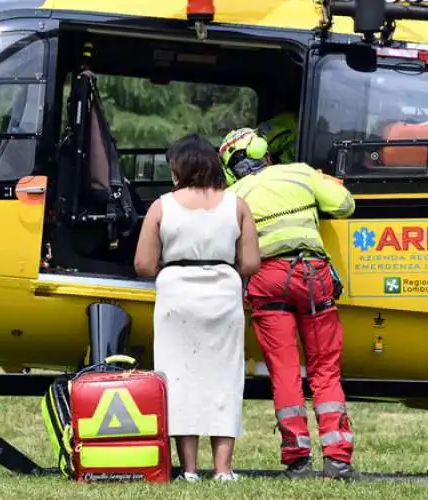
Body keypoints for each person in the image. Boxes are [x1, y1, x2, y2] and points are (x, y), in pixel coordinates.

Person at [219, 126, 358, 480]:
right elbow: (345, 206)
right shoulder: (300, 173)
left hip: (268, 281)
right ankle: (338, 459)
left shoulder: (233, 196)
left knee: (283, 369)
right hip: (313, 276)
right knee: (325, 368)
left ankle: (297, 461)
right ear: (265, 153)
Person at [134, 133, 261, 482]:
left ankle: (189, 469)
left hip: (176, 294)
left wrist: (173, 270)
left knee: (178, 378)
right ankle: (223, 469)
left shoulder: (162, 206)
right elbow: (250, 262)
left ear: (179, 168)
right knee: (224, 378)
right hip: (223, 292)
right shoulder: (236, 205)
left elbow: (143, 264)